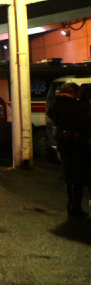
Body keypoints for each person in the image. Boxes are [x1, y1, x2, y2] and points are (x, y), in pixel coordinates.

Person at [46, 82, 90, 217]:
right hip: (76, 143)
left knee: (69, 173)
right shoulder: (77, 106)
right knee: (78, 175)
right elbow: (83, 124)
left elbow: (52, 114)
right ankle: (75, 206)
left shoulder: (57, 105)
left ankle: (71, 204)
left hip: (63, 141)